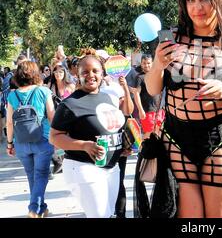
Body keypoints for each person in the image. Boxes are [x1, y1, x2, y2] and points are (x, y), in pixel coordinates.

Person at [145, 0, 222, 218]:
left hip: (220, 138)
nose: (197, 7)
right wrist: (158, 64)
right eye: (190, 0)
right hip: (176, 139)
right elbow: (153, 88)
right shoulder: (171, 39)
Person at [50, 54, 125, 218]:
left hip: (112, 168)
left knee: (108, 213)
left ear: (102, 73)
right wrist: (84, 145)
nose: (91, 75)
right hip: (84, 167)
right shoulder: (70, 104)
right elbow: (54, 137)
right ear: (77, 74)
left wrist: (122, 146)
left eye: (95, 71)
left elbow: (110, 127)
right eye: (85, 72)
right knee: (100, 216)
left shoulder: (108, 97)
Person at [5, 61, 55, 218]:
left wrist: (9, 143)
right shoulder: (43, 92)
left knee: (32, 175)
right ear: (36, 74)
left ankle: (42, 208)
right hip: (42, 139)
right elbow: (52, 116)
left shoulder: (12, 95)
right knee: (41, 175)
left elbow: (9, 122)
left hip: (21, 143)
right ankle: (34, 209)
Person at [100, 70, 134, 218]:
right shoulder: (91, 87)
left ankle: (120, 215)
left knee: (118, 182)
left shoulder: (117, 86)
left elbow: (128, 110)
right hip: (100, 142)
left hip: (118, 141)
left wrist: (125, 88)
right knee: (101, 182)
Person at [131, 54, 164, 138]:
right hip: (147, 111)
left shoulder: (156, 75)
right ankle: (145, 150)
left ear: (152, 63)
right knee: (148, 134)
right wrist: (140, 110)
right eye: (144, 63)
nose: (146, 65)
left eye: (148, 63)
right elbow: (136, 93)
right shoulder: (140, 77)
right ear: (141, 64)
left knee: (158, 132)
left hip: (159, 110)